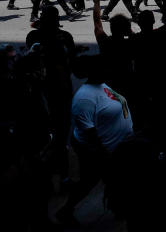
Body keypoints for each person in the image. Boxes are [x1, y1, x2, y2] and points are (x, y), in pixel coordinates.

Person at [54, 55, 134, 228]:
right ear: (94, 71)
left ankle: (117, 206)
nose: (108, 70)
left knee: (112, 179)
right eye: (104, 68)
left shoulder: (101, 85)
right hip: (97, 151)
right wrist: (105, 155)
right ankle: (66, 210)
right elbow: (89, 134)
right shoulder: (84, 99)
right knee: (90, 181)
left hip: (114, 148)